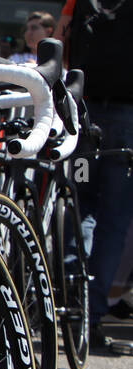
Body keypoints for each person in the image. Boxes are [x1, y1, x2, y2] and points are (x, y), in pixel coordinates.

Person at [63, 0, 133, 350]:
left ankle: (72, 304)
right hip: (126, 122)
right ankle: (92, 314)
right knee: (114, 220)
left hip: (85, 114)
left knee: (81, 205)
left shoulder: (82, 2)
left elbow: (63, 45)